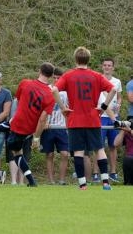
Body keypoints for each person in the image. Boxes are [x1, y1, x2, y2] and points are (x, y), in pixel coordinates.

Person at [51, 46, 117, 190]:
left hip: (75, 119)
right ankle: (105, 182)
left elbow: (54, 89)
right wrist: (104, 106)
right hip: (93, 118)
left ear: (75, 59)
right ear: (89, 59)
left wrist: (63, 107)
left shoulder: (68, 75)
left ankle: (82, 184)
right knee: (99, 149)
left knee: (79, 152)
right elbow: (113, 89)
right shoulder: (97, 76)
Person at [0, 63, 56, 187]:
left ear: (39, 71)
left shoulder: (25, 83)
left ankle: (31, 181)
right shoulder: (50, 95)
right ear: (51, 76)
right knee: (11, 125)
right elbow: (42, 119)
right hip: (29, 128)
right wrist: (36, 137)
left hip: (19, 124)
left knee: (17, 153)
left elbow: (18, 99)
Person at [93, 58, 122, 182]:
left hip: (113, 117)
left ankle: (113, 172)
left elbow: (119, 97)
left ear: (113, 67)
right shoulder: (98, 79)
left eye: (109, 65)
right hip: (101, 116)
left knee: (113, 145)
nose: (107, 67)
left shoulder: (117, 81)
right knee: (98, 146)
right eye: (105, 65)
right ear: (102, 67)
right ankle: (96, 173)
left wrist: (119, 105)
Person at [40, 68, 70, 185]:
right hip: (48, 127)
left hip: (62, 127)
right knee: (49, 154)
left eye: (59, 78)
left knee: (64, 154)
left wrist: (68, 124)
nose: (57, 80)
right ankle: (51, 180)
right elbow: (41, 107)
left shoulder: (66, 92)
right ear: (52, 77)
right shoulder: (46, 89)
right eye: (55, 78)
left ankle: (62, 180)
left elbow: (68, 109)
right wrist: (44, 121)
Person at [113, 119, 133, 185]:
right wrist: (122, 131)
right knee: (128, 159)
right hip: (129, 157)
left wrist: (130, 130)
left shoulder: (130, 131)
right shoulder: (126, 132)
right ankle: (128, 183)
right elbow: (116, 144)